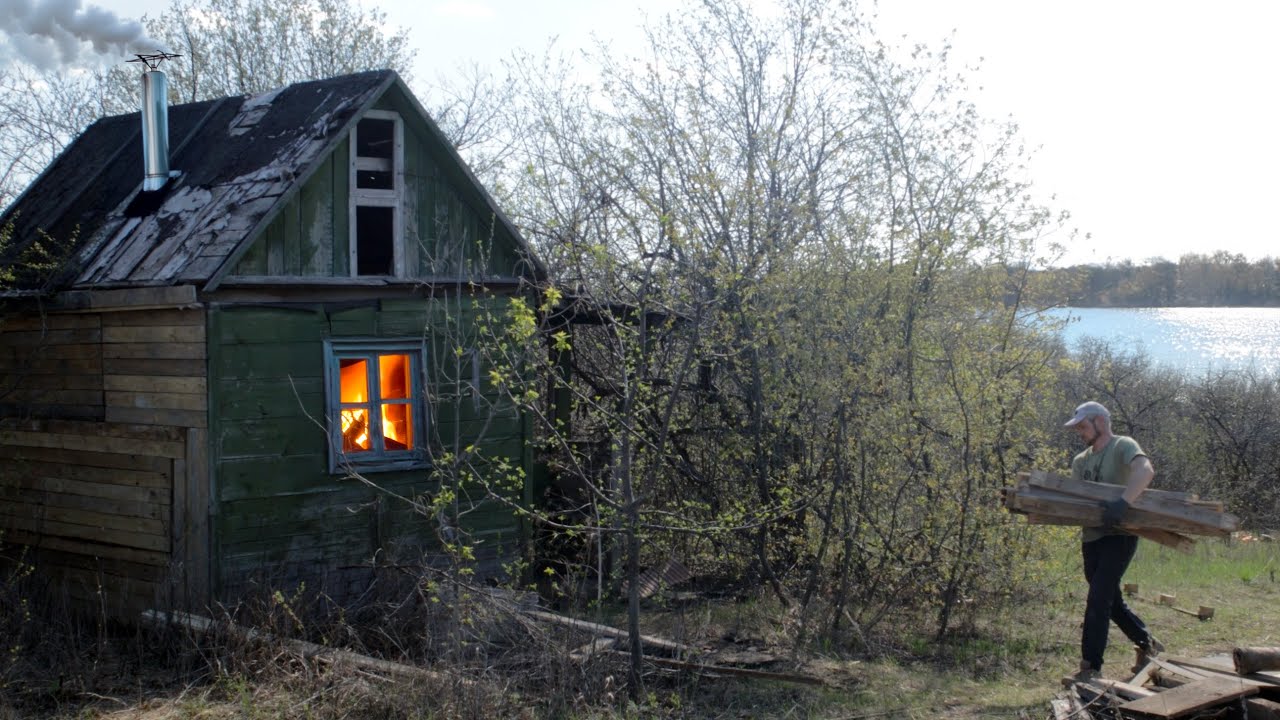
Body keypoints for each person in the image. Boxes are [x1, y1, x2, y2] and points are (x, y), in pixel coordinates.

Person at [1064, 400, 1163, 681]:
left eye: (1083, 426)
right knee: (1110, 600)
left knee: (1098, 598)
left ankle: (1090, 667)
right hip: (1092, 538)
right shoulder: (1080, 461)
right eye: (1078, 428)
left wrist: (1122, 503)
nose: (1080, 432)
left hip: (1119, 536)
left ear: (1101, 422)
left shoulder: (1123, 445)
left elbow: (1145, 471)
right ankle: (1148, 644)